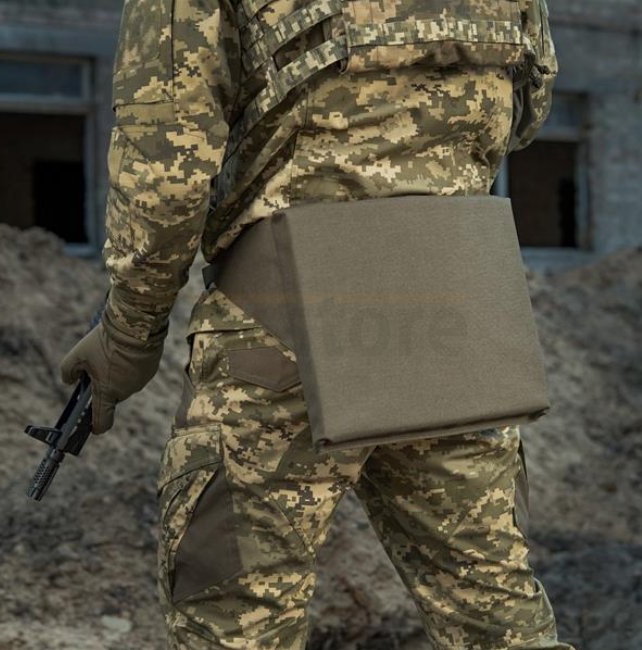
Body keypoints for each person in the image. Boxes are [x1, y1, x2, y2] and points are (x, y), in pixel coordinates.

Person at [60, 0, 575, 648]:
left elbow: (165, 163)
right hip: (456, 304)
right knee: (497, 614)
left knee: (236, 617)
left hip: (281, 319)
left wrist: (129, 335)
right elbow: (529, 107)